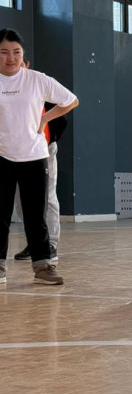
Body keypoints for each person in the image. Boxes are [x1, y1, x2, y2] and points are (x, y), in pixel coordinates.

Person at [0, 28, 78, 286]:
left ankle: (43, 266)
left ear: (23, 55)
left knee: (36, 215)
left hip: (34, 156)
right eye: (4, 52)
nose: (11, 58)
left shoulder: (37, 79)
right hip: (2, 156)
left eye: (16, 52)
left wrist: (45, 118)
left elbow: (70, 100)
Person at [14, 59, 66, 262]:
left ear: (26, 64)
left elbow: (63, 113)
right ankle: (35, 242)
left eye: (18, 59)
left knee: (47, 196)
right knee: (21, 199)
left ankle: (50, 244)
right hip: (14, 153)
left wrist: (48, 138)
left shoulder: (39, 85)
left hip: (43, 151)